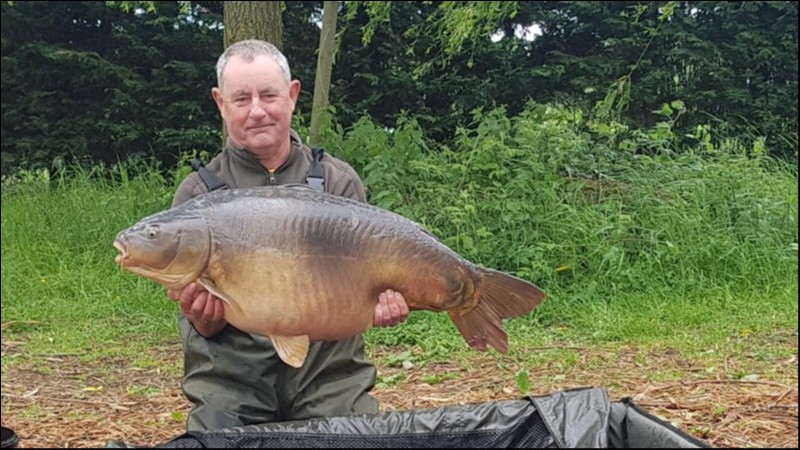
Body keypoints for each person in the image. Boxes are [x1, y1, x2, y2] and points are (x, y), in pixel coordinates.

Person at [166, 39, 411, 431]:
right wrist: (202, 318)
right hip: (233, 382)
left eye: (269, 95)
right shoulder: (197, 196)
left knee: (358, 438)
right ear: (221, 103)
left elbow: (367, 289)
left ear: (293, 95)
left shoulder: (337, 181)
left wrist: (383, 304)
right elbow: (204, 326)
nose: (257, 111)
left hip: (330, 376)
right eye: (241, 99)